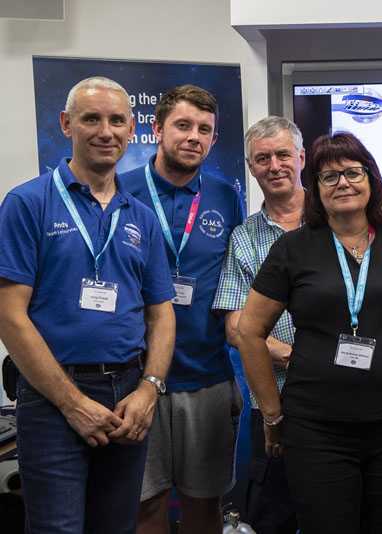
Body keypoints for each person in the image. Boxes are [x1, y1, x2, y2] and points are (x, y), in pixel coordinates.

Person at [236, 132, 382, 534]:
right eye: (329, 177)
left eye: (352, 172)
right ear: (315, 188)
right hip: (317, 431)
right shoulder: (294, 248)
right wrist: (273, 414)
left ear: (371, 179)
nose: (342, 183)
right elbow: (249, 332)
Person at [0, 76, 176, 533]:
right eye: (91, 119)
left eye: (117, 121)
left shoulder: (141, 218)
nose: (105, 131)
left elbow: (161, 312)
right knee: (57, 528)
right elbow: (8, 315)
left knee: (116, 526)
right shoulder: (27, 203)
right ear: (66, 124)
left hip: (128, 397)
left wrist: (149, 389)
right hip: (52, 398)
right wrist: (71, 402)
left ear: (131, 129)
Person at [119, 85, 244, 534]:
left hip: (206, 376)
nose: (194, 137)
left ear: (214, 139)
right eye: (183, 125)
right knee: (144, 506)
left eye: (204, 129)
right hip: (133, 378)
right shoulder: (121, 189)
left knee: (205, 506)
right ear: (156, 129)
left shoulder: (225, 196)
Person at [213, 116, 305, 534]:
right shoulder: (244, 238)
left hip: (340, 401)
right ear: (251, 167)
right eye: (263, 158)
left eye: (283, 154)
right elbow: (235, 326)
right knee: (272, 518)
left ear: (301, 157)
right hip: (273, 404)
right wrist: (295, 357)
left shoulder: (338, 221)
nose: (274, 166)